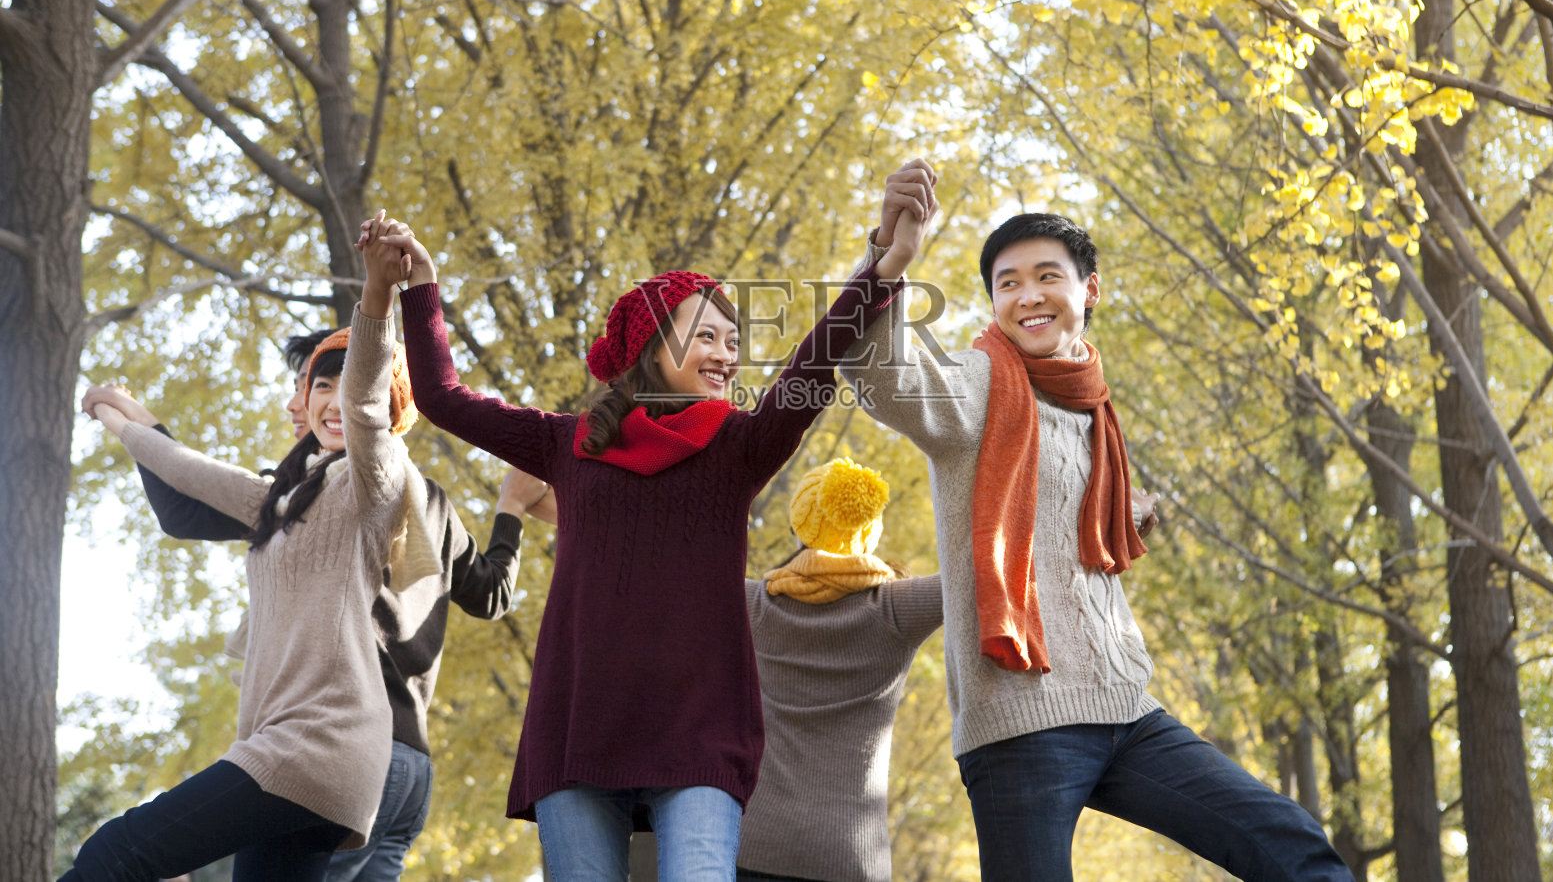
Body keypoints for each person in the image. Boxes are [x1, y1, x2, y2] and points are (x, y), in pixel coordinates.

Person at [361, 169, 935, 882]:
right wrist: (420, 286)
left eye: (734, 339)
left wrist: (885, 266)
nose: (728, 353)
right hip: (579, 729)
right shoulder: (563, 442)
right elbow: (444, 398)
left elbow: (813, 365)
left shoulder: (740, 447)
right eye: (707, 335)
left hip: (700, 734)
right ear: (651, 347)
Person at [838, 195, 1355, 882]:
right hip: (1020, 721)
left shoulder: (1093, 409)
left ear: (1090, 289)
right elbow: (879, 373)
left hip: (1123, 704)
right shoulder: (978, 382)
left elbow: (1062, 545)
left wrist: (1126, 517)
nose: (1028, 296)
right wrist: (886, 258)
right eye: (1008, 283)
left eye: (1047, 275)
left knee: (1286, 839)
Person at [64, 221, 442, 882]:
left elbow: (363, 397)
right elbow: (190, 473)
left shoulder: (373, 479)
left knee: (111, 855)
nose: (332, 399)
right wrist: (117, 415)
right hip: (296, 752)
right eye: (318, 385)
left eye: (345, 388)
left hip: (314, 744)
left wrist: (379, 291)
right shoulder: (281, 497)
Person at [114, 324, 554, 882]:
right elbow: (493, 595)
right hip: (412, 768)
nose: (299, 402)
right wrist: (510, 509)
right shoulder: (430, 500)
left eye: (314, 383)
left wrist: (136, 421)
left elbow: (185, 510)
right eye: (309, 387)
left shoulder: (315, 498)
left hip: (337, 749)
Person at [737, 457, 943, 882]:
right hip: (852, 856)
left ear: (798, 525)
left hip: (757, 843)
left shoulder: (752, 604)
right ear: (869, 532)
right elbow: (983, 572)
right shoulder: (895, 611)